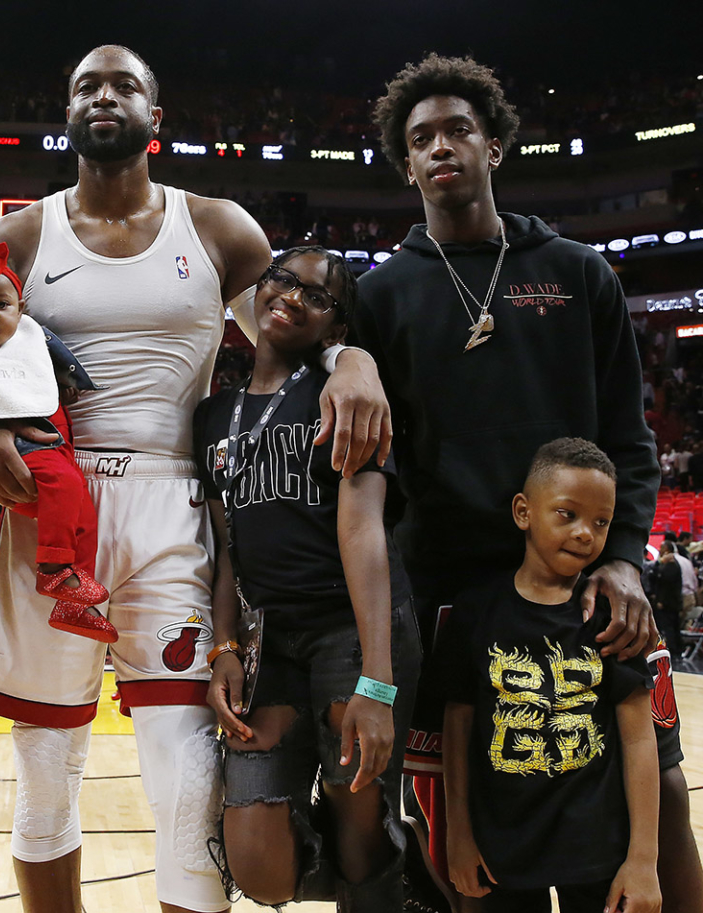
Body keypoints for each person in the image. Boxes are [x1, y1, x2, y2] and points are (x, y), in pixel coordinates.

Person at [0, 44, 389, 913]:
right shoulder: (19, 236)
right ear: (67, 112)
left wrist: (354, 358)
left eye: (124, 85)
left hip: (172, 499)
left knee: (188, 778)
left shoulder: (222, 227)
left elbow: (290, 331)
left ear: (156, 117)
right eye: (86, 84)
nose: (104, 95)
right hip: (52, 504)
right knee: (46, 776)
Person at [351, 52, 700, 912]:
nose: (441, 147)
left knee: (661, 799)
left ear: (494, 145)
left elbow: (629, 432)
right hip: (450, 597)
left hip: (585, 583)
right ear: (406, 164)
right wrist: (345, 361)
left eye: (458, 130)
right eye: (421, 137)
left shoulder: (579, 272)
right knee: (465, 840)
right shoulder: (382, 294)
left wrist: (622, 556)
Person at [195, 248, 419, 912]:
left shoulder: (346, 397)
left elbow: (365, 534)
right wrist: (225, 647)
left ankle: (381, 876)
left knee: (358, 827)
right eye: (283, 280)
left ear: (336, 327)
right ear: (260, 289)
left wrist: (377, 682)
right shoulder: (213, 417)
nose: (293, 296)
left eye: (316, 295)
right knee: (258, 864)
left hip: (352, 629)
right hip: (272, 640)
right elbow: (227, 544)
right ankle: (402, 869)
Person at [439, 439, 660, 913]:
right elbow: (456, 728)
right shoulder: (476, 611)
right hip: (503, 851)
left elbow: (642, 740)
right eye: (568, 514)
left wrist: (644, 859)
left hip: (598, 853)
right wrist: (458, 833)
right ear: (524, 512)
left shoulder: (610, 617)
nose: (586, 534)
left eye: (601, 522)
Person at [0, 241, 114, 643]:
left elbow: (60, 362)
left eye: (1, 304)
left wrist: (68, 385)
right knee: (67, 487)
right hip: (26, 453)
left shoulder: (33, 343)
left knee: (83, 516)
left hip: (55, 447)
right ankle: (53, 572)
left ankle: (73, 601)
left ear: (22, 309)